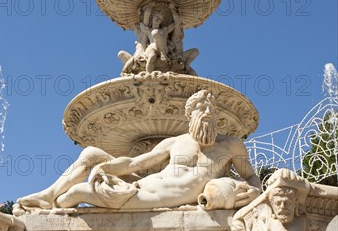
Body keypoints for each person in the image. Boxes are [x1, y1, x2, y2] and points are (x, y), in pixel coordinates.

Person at [16, 90, 261, 212]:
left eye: (210, 109)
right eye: (200, 109)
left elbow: (250, 176)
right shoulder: (175, 142)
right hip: (144, 185)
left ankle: (55, 202)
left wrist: (254, 191)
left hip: (155, 198)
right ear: (189, 115)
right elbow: (136, 164)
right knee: (91, 153)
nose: (206, 113)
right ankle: (46, 196)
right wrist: (108, 166)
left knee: (75, 194)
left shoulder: (231, 145)